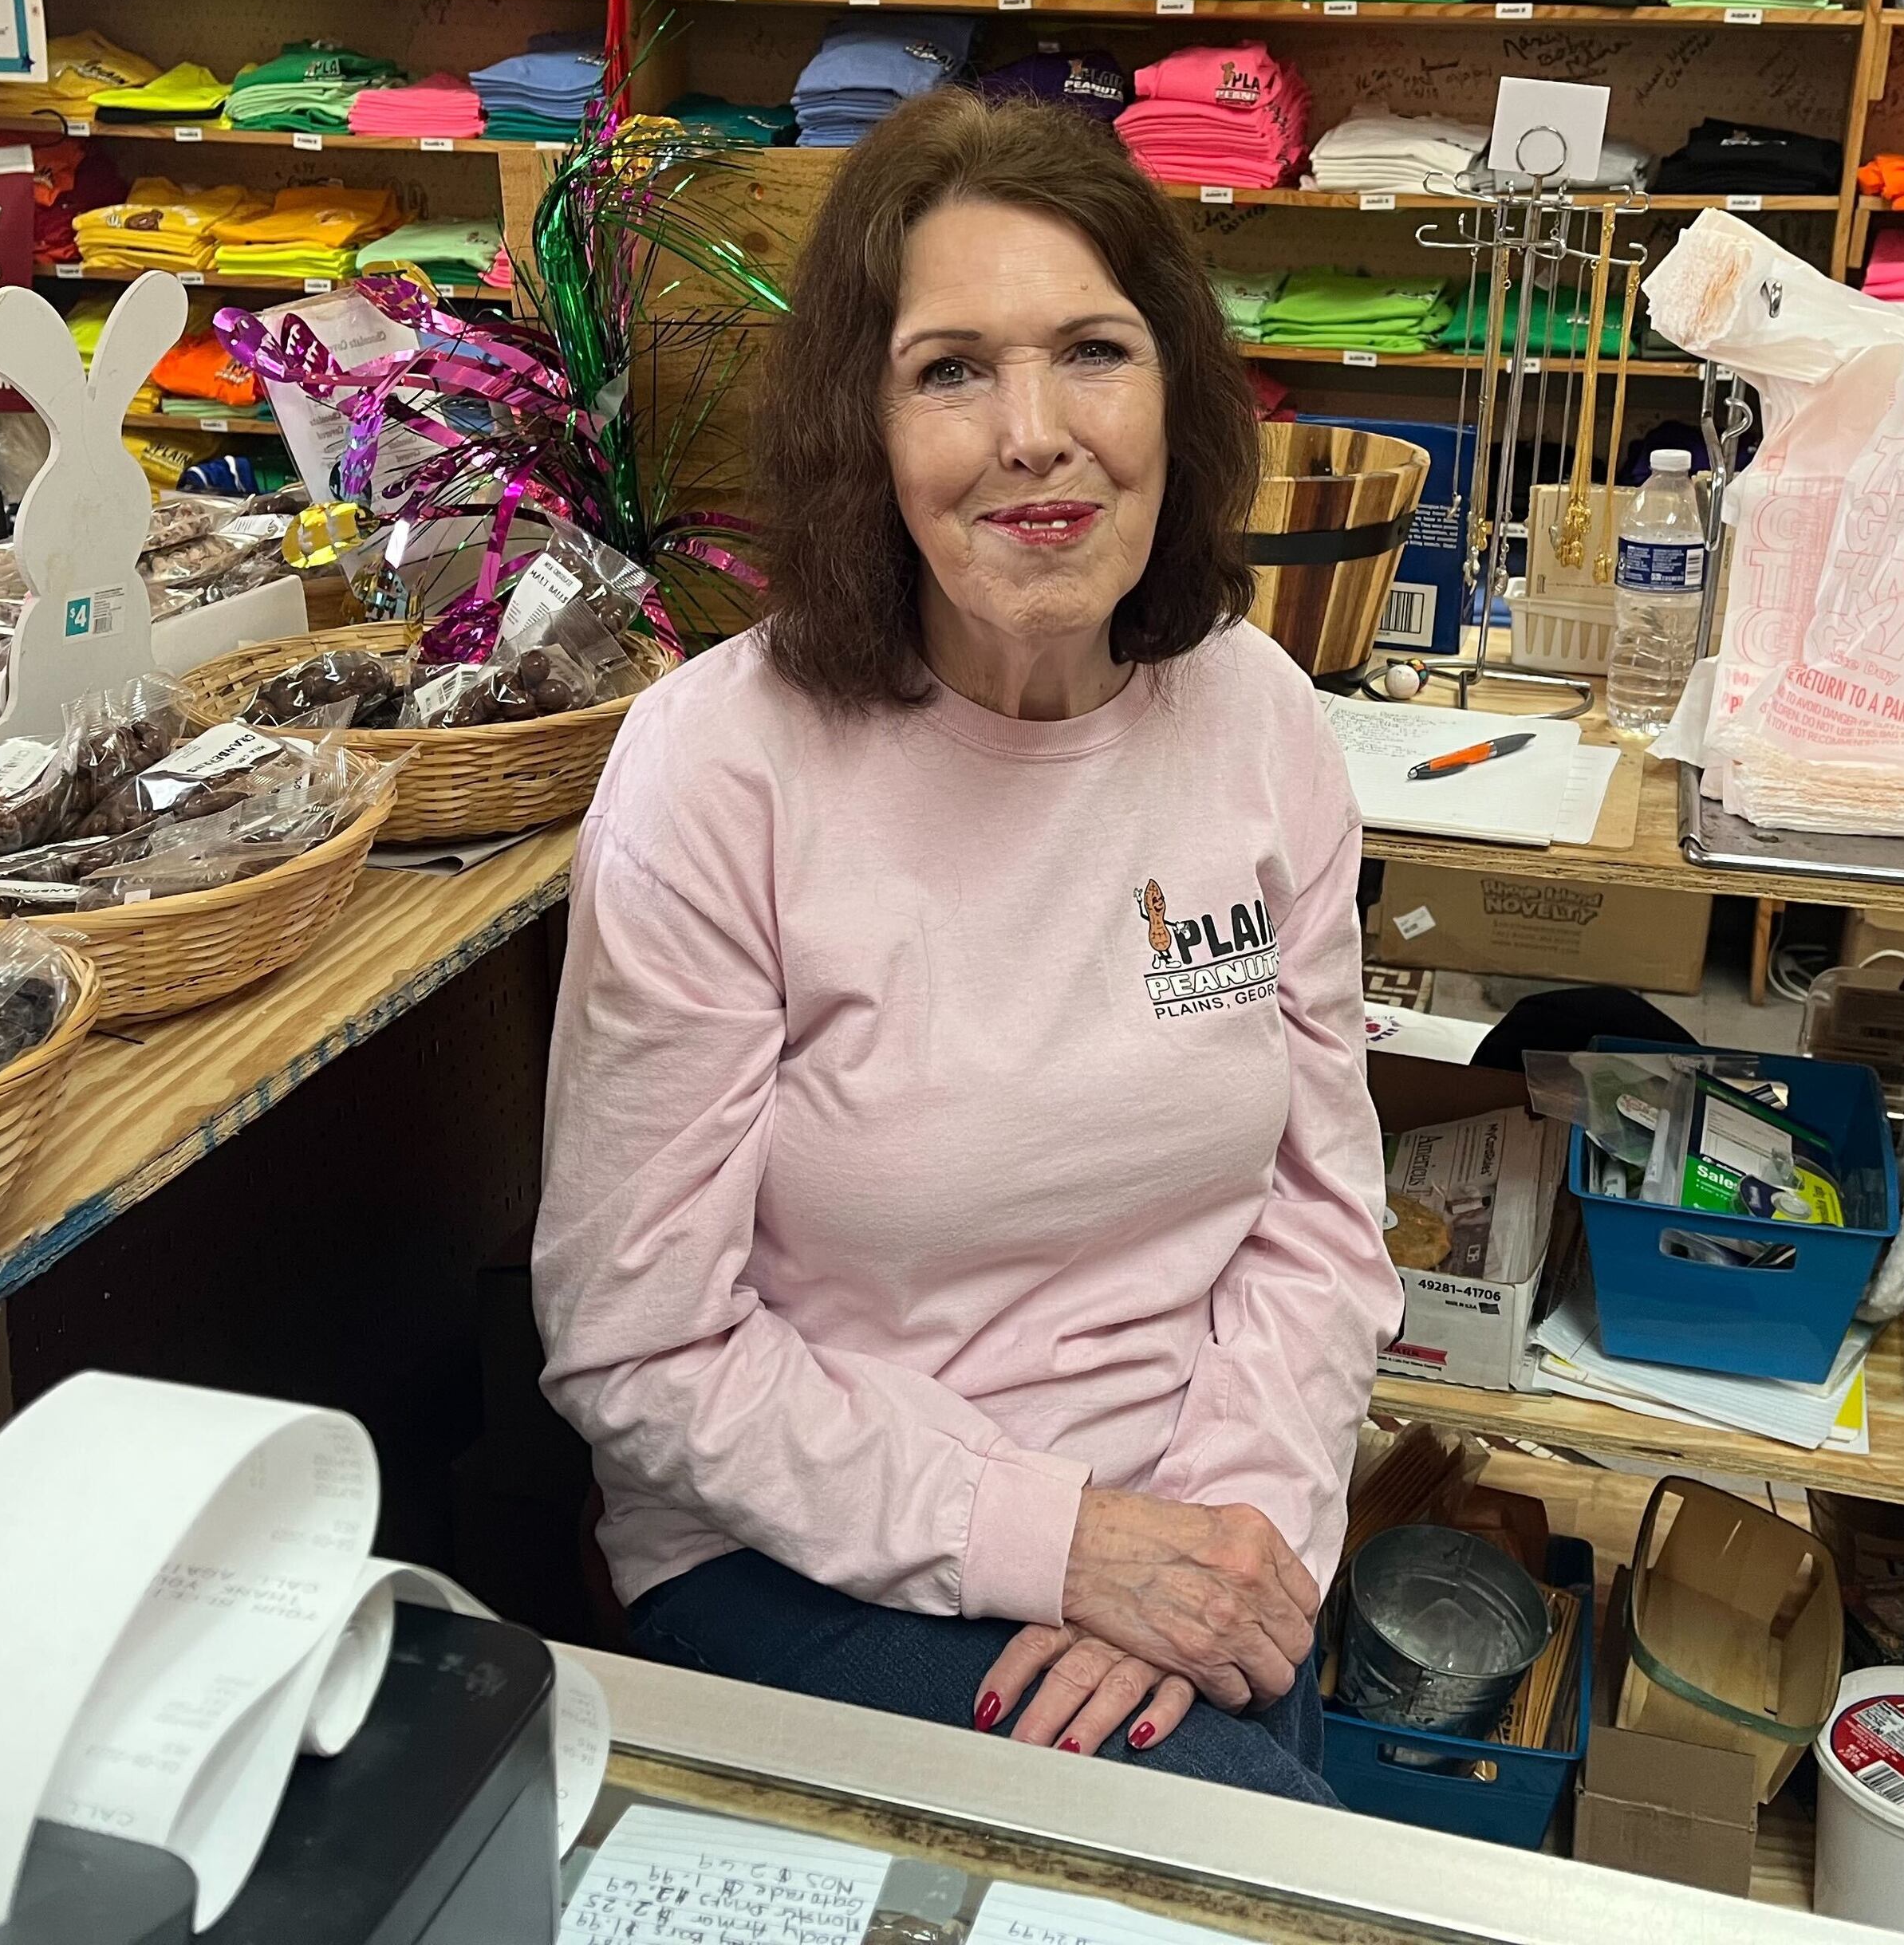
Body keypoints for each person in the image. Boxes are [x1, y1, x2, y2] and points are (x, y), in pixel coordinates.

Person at [534, 89, 1400, 1802]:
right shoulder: (720, 770)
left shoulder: (1260, 721)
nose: (1035, 434)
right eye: (950, 371)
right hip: (798, 1550)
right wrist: (1062, 1544)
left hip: (1199, 1529)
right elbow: (639, 1342)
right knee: (1256, 1860)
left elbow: (1320, 1222)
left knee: (1282, 1848)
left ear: (1180, 392)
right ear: (863, 426)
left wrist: (1225, 1532)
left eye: (1093, 351)